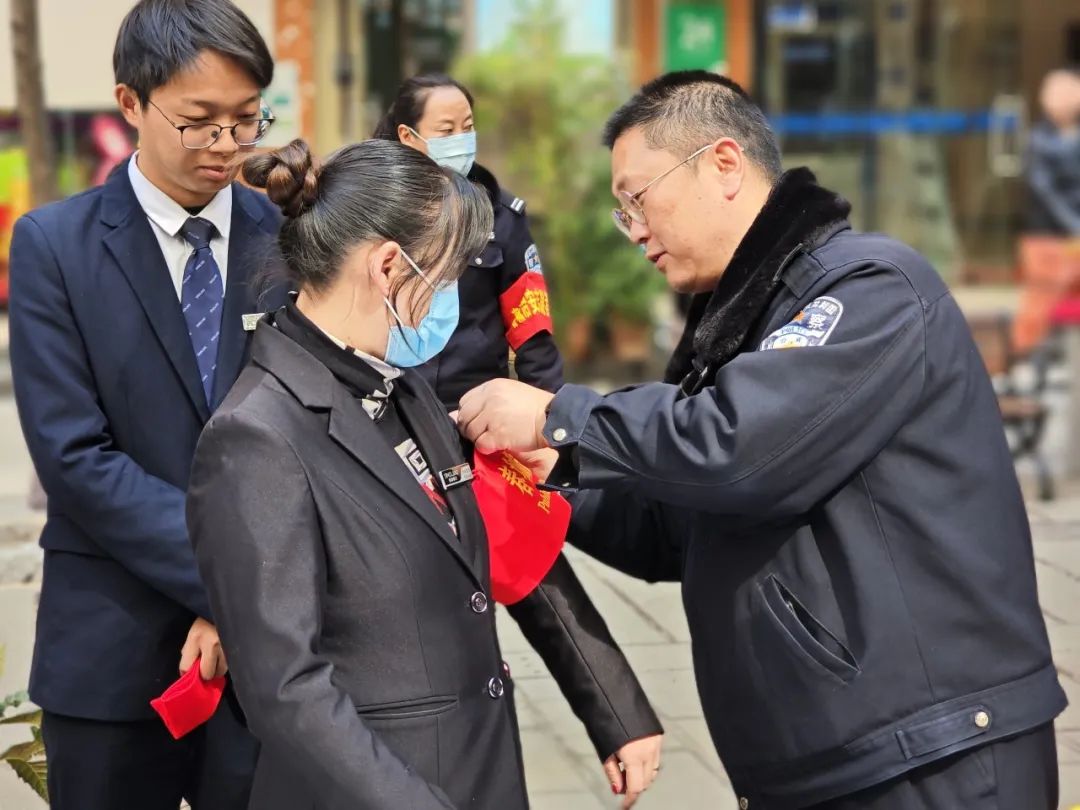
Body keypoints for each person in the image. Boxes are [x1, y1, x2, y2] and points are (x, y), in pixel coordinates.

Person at [456, 71, 1067, 809]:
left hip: (931, 756)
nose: (635, 231)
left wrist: (560, 418)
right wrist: (537, 470)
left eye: (638, 200)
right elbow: (669, 525)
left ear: (723, 164)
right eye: (623, 213)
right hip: (829, 763)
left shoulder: (866, 288)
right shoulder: (738, 326)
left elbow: (738, 447)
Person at [185, 138, 663, 810]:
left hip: (481, 771)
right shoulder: (257, 438)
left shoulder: (405, 389)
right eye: (443, 278)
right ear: (387, 266)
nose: (450, 300)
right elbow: (287, 693)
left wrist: (614, 706)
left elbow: (507, 549)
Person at [8, 1, 282, 807]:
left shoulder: (290, 239)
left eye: (246, 120)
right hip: (112, 653)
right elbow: (74, 456)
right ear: (130, 103)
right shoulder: (55, 247)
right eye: (199, 122)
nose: (226, 144)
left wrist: (255, 607)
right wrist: (228, 588)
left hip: (272, 667)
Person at [373, 74, 563, 412]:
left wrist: (550, 418)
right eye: (446, 131)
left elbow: (531, 329)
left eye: (468, 127)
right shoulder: (374, 211)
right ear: (408, 136)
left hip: (474, 410)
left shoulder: (500, 216)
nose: (460, 140)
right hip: (389, 404)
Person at [1013, 67, 1080, 355]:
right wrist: (1074, 225)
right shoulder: (1038, 140)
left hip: (1071, 234)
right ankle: (1026, 360)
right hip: (1048, 237)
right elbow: (1044, 191)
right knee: (1040, 304)